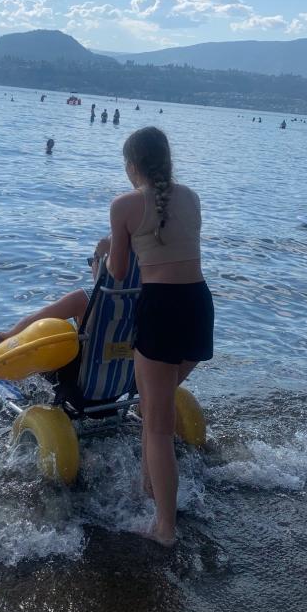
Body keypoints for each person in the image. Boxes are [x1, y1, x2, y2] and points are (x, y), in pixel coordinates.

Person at [105, 127, 213, 546]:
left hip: (162, 308)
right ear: (166, 161)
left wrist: (112, 244)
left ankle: (165, 528)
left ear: (132, 166)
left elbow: (116, 272)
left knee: (158, 424)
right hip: (198, 306)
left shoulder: (124, 205)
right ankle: (149, 487)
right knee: (154, 410)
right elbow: (169, 242)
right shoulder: (192, 198)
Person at [0, 246, 106, 345]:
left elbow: (35, 320)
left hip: (83, 368)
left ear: (101, 264)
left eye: (92, 261)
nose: (91, 266)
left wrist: (6, 336)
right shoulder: (123, 302)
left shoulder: (84, 298)